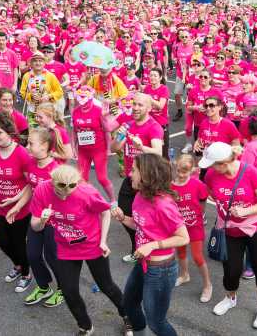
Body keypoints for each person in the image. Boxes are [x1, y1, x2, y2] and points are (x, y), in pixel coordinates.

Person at [30, 164, 134, 335]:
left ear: (76, 184)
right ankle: (85, 325)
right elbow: (35, 227)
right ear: (52, 183)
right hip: (65, 248)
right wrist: (42, 220)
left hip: (92, 245)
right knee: (69, 290)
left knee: (106, 286)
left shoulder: (86, 192)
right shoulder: (42, 189)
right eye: (58, 192)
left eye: (69, 193)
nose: (63, 198)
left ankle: (128, 316)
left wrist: (103, 241)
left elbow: (105, 212)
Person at [199, 142, 257, 330]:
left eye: (213, 164)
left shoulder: (250, 173)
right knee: (231, 270)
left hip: (256, 228)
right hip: (230, 229)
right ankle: (230, 298)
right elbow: (210, 193)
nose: (210, 168)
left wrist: (244, 211)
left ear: (224, 163)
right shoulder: (211, 174)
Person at [112, 153, 189, 336]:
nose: (130, 174)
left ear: (146, 176)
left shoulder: (163, 204)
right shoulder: (139, 196)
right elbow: (140, 226)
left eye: (134, 170)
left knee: (156, 322)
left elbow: (183, 237)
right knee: (129, 302)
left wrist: (153, 245)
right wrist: (123, 218)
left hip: (161, 270)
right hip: (143, 262)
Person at [0, 112, 34, 293]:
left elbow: (31, 183)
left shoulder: (22, 154)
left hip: (20, 209)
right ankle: (18, 265)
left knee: (19, 243)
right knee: (1, 241)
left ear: (10, 133)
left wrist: (18, 202)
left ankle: (27, 274)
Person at [110, 93, 164, 262]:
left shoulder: (154, 127)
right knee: (124, 213)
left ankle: (149, 248)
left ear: (149, 108)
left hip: (148, 180)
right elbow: (114, 148)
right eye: (134, 104)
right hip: (131, 178)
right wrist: (118, 136)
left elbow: (158, 153)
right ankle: (139, 246)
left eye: (140, 105)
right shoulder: (127, 125)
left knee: (148, 217)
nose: (135, 107)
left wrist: (142, 147)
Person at [22, 127, 64, 307]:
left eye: (31, 143)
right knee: (31, 254)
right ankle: (44, 286)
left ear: (45, 146)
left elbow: (66, 197)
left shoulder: (56, 170)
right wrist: (16, 205)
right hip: (36, 218)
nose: (27, 146)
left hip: (53, 222)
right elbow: (29, 188)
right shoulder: (31, 164)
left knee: (53, 256)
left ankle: (64, 288)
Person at [171, 154, 212, 302]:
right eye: (179, 171)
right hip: (178, 226)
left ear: (192, 170)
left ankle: (207, 285)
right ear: (175, 169)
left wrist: (199, 216)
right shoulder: (171, 186)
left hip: (195, 226)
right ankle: (184, 275)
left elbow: (202, 202)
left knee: (197, 256)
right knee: (180, 252)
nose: (181, 175)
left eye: (185, 172)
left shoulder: (197, 184)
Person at [71, 86, 114, 200]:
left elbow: (107, 130)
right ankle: (91, 198)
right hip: (83, 151)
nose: (82, 100)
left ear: (91, 97)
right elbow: (74, 132)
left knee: (102, 178)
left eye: (84, 96)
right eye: (80, 96)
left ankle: (113, 200)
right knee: (81, 178)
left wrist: (109, 149)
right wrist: (73, 148)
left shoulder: (99, 110)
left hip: (99, 150)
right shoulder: (75, 112)